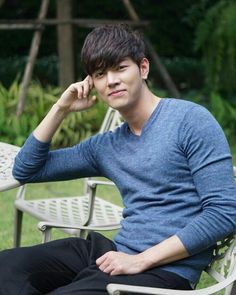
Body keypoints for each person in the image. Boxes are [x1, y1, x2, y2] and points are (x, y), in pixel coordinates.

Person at [0, 24, 236, 295]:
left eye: (120, 68)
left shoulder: (190, 121)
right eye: (100, 74)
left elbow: (223, 213)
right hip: (112, 253)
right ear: (93, 84)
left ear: (143, 68)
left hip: (163, 272)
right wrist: (60, 108)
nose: (111, 80)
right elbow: (26, 169)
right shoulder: (106, 146)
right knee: (6, 267)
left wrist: (140, 260)